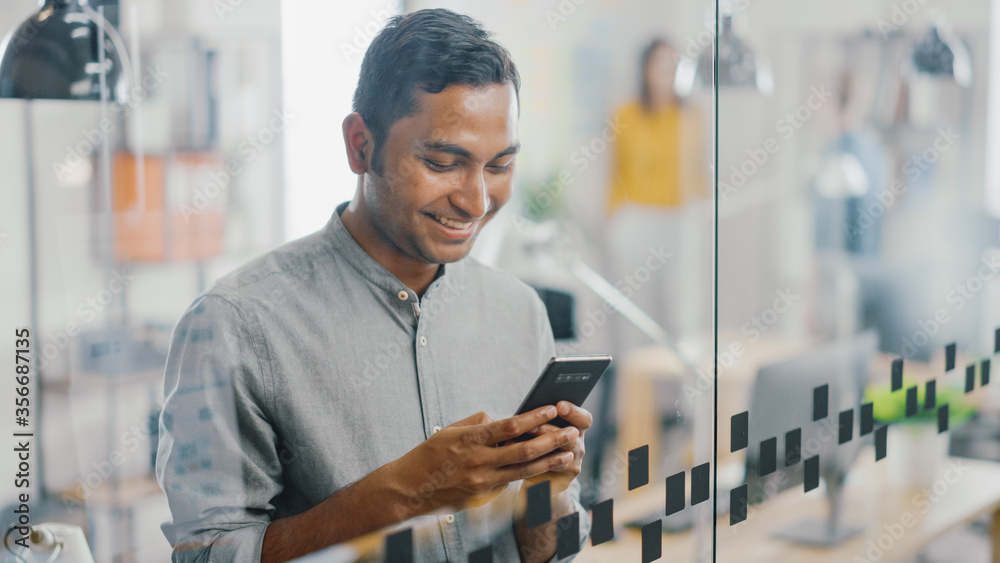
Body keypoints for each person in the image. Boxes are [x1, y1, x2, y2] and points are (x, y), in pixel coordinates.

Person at [155, 9, 590, 563]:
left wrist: (544, 488)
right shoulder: (235, 326)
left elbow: (553, 552)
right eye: (442, 161)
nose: (477, 201)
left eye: (500, 165)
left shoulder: (520, 312)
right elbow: (206, 557)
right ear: (360, 145)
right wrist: (408, 491)